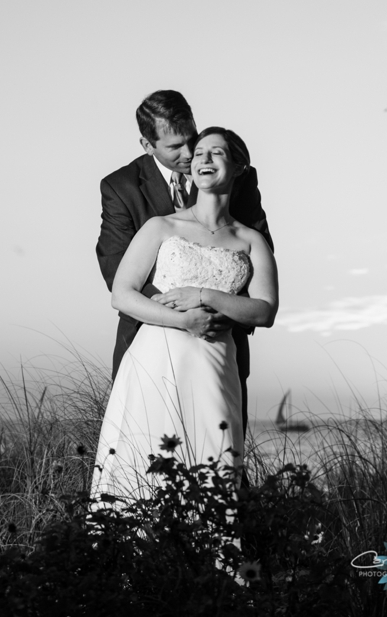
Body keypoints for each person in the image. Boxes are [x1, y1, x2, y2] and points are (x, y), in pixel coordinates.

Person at [92, 127, 278, 501]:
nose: (204, 159)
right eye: (200, 154)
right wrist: (183, 319)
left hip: (215, 361)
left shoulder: (250, 240)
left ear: (239, 166)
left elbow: (264, 310)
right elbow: (122, 295)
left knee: (218, 464)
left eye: (217, 153)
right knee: (145, 462)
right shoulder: (161, 226)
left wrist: (204, 295)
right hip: (155, 357)